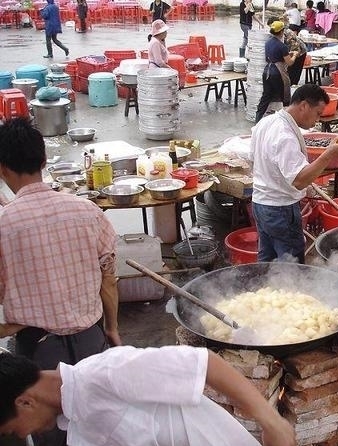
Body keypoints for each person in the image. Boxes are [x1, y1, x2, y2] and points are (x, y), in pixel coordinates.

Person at [0, 118, 121, 445]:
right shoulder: (86, 211)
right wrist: (112, 328)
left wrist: (8, 327)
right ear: (43, 162)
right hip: (91, 341)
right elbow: (108, 280)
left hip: (38, 350)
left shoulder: (4, 225)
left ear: (2, 168)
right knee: (102, 423)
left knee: (49, 429)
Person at [0, 345, 296, 446]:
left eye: (12, 430)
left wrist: (273, 423)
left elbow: (205, 363)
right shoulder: (77, 428)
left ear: (24, 401)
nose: (23, 435)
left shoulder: (104, 373)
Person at [250, 84, 338, 263]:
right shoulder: (285, 135)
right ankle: (291, 290)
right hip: (279, 208)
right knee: (291, 264)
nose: (318, 120)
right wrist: (328, 154)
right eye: (318, 114)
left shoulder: (267, 122)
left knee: (266, 260)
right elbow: (299, 180)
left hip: (260, 204)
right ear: (304, 106)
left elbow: (253, 158)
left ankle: (262, 288)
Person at [255, 21, 299, 122]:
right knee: (285, 98)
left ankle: (258, 120)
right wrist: (295, 55)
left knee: (265, 97)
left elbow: (268, 58)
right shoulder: (282, 46)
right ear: (282, 31)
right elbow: (290, 62)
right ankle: (287, 121)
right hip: (278, 73)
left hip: (267, 72)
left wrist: (286, 54)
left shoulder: (267, 42)